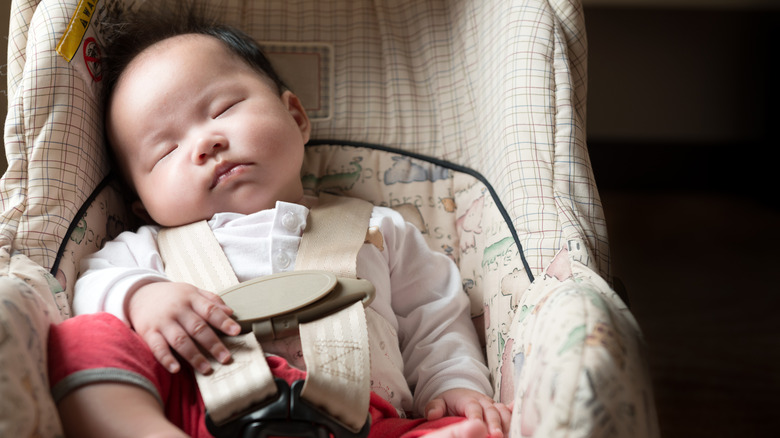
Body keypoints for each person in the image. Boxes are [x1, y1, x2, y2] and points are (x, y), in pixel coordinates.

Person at [47, 5, 511, 438]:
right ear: (143, 205)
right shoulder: (147, 248)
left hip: (364, 418)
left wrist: (454, 386)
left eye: (223, 109)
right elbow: (91, 288)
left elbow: (435, 319)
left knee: (468, 430)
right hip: (202, 413)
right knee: (79, 338)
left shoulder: (381, 229)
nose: (204, 143)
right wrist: (144, 298)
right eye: (165, 151)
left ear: (296, 118)